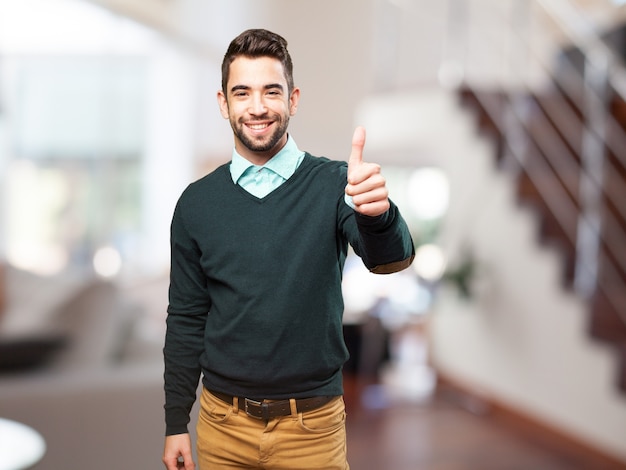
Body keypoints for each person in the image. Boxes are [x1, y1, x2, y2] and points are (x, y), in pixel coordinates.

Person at [162, 28, 415, 470]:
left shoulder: (337, 184)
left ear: (293, 99)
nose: (257, 107)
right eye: (242, 93)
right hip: (221, 428)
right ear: (224, 103)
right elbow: (186, 318)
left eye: (271, 91)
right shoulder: (196, 204)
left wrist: (378, 212)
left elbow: (389, 259)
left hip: (312, 430)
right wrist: (174, 422)